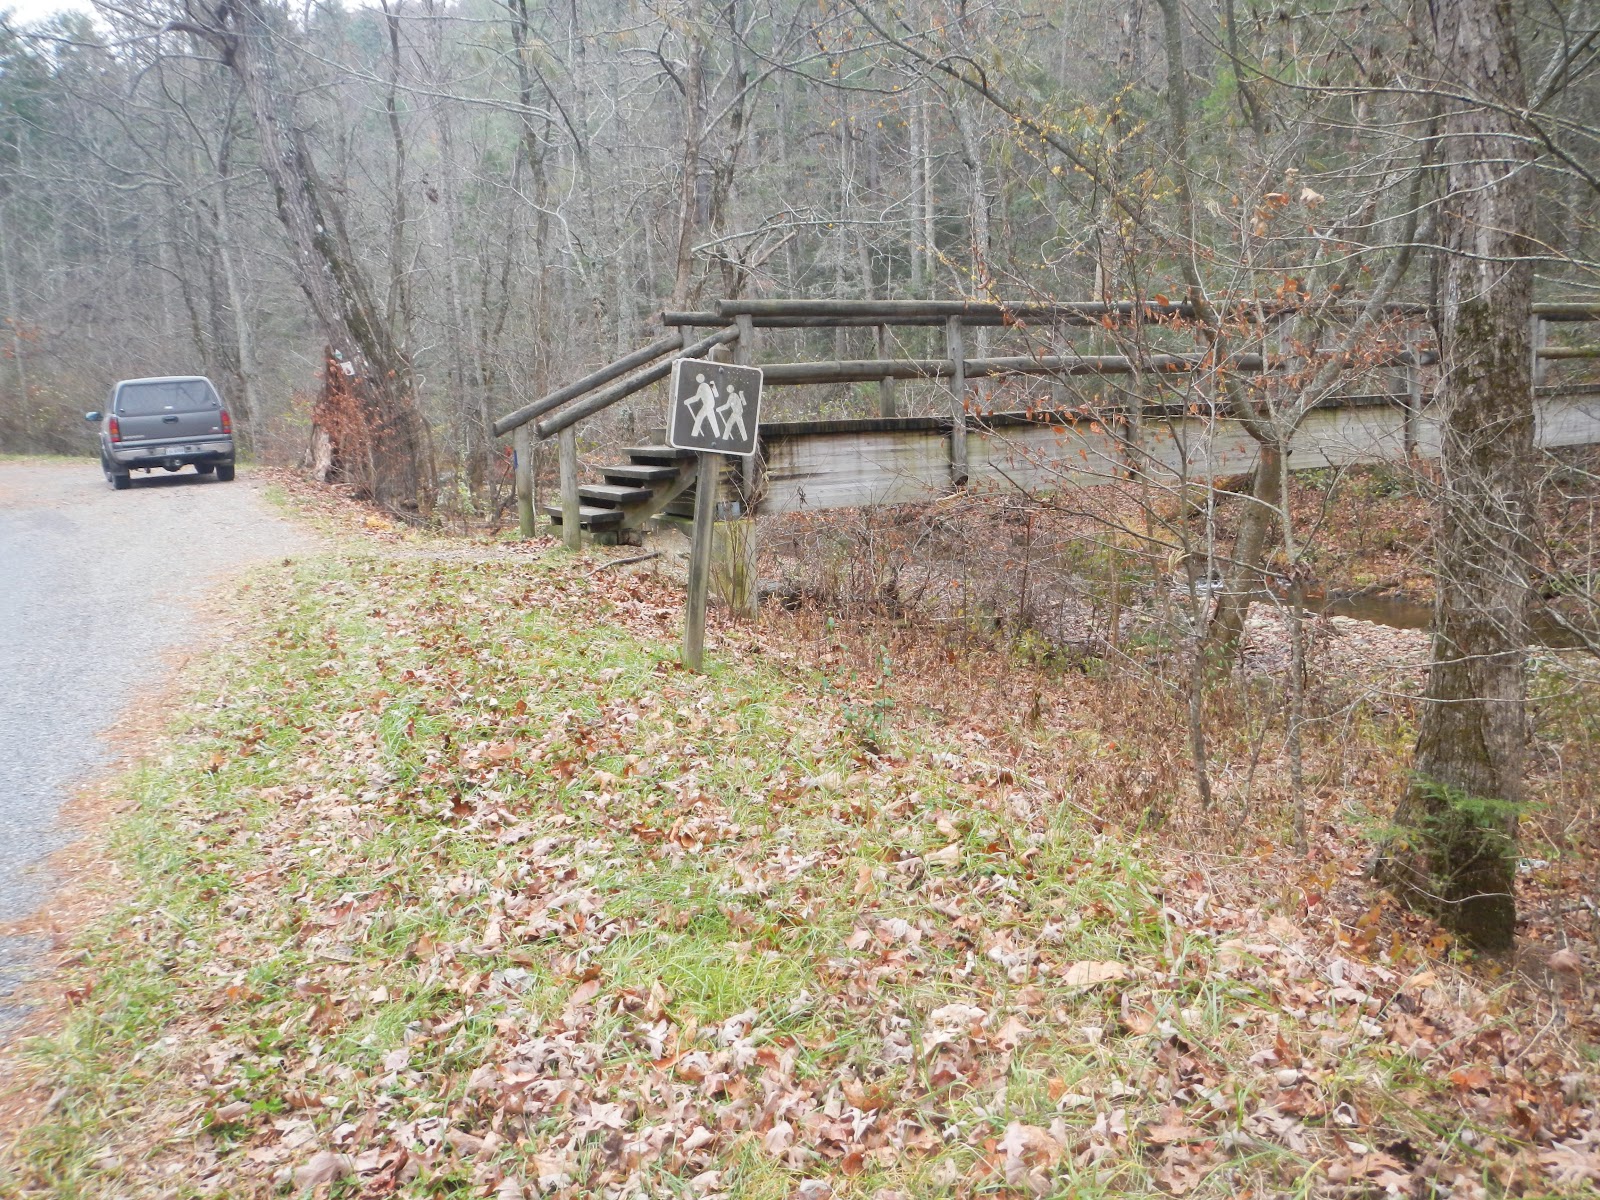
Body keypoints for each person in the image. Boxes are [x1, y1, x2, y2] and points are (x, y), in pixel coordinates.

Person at [687, 373, 721, 438]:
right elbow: (716, 394)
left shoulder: (702, 386)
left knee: (699, 418)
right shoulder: (709, 384)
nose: (698, 379)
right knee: (712, 419)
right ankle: (717, 435)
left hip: (707, 405)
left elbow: (697, 398)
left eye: (698, 378)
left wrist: (687, 401)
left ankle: (694, 435)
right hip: (711, 404)